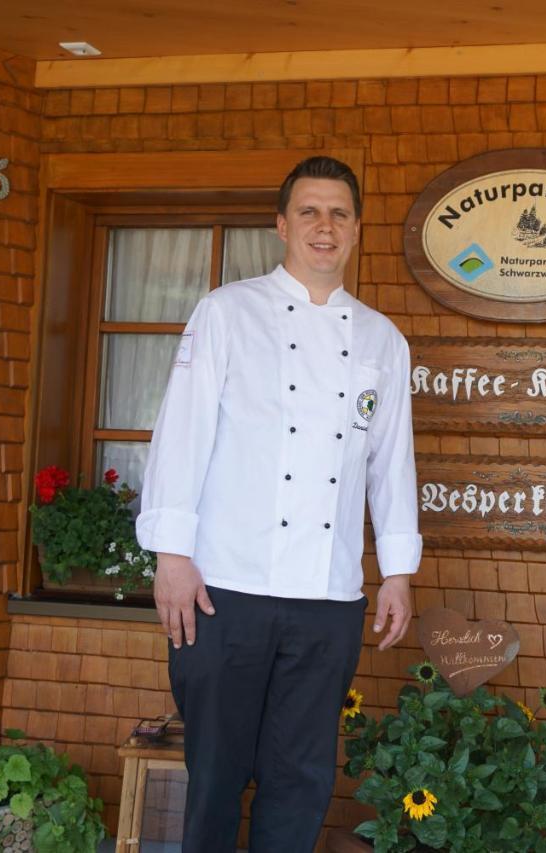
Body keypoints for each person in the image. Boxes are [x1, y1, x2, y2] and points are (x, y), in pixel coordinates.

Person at [136, 155, 421, 852]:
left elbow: (391, 463)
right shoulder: (227, 312)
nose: (324, 226)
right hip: (223, 590)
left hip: (327, 595)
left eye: (339, 213)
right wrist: (172, 555)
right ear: (281, 225)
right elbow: (183, 434)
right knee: (214, 777)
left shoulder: (384, 339)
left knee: (302, 779)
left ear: (357, 229)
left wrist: (398, 570)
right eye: (309, 211)